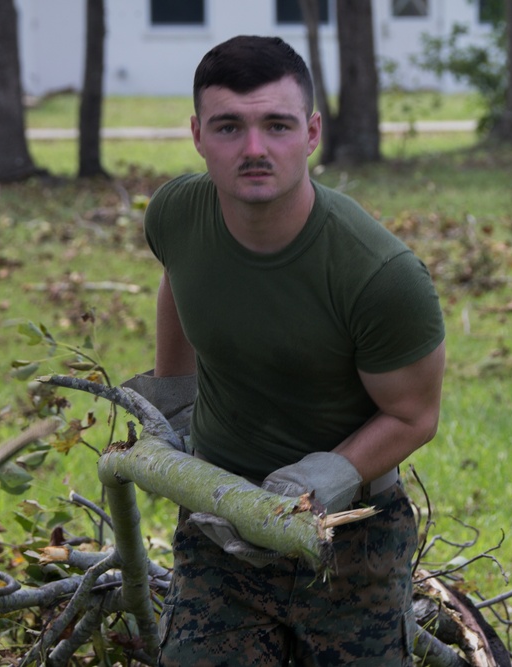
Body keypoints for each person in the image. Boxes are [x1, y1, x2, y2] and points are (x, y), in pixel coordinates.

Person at [125, 34, 445, 666]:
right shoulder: (176, 214)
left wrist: (323, 479)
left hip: (351, 541)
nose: (253, 149)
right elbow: (178, 279)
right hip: (217, 529)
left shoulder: (380, 275)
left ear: (312, 132)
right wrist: (175, 397)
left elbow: (415, 415)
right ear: (196, 134)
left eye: (276, 124)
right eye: (228, 127)